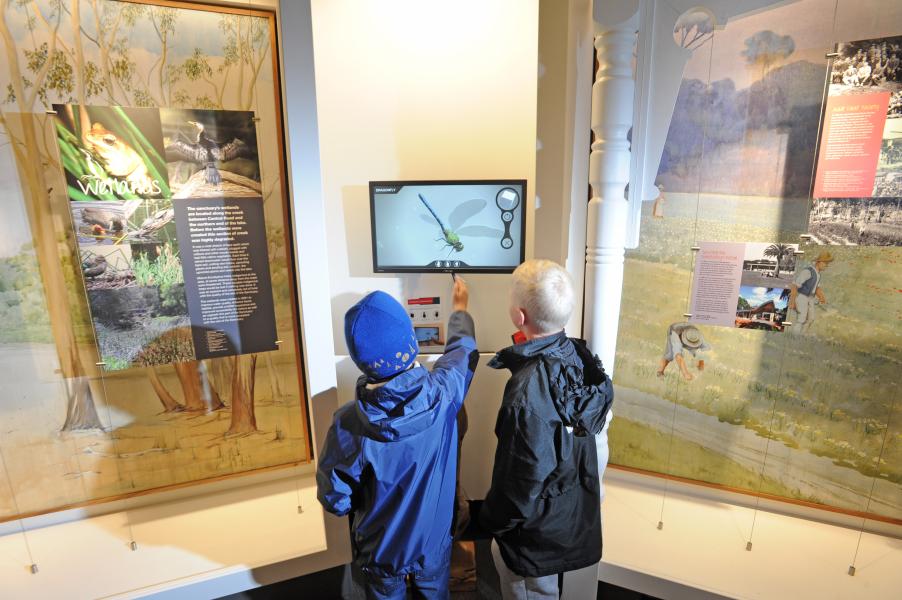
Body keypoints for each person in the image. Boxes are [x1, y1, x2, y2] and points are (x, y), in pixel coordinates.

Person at [317, 280, 478, 600]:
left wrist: (354, 505)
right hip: (433, 543)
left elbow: (334, 497)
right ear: (410, 341)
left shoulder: (348, 424)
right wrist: (459, 311)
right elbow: (462, 351)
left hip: (381, 551)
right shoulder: (443, 393)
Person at [479, 259, 614, 600]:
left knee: (531, 590)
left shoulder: (525, 395)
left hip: (533, 538)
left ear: (519, 316)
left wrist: (491, 522)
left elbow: (519, 481)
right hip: (567, 518)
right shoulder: (580, 357)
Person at [789, 251, 833, 335]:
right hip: (802, 296)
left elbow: (816, 288)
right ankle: (794, 336)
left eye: (827, 263)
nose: (826, 265)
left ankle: (801, 335)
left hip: (810, 298)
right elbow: (795, 286)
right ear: (818, 262)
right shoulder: (807, 271)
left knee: (811, 319)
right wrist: (792, 301)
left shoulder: (818, 274)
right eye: (825, 263)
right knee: (801, 319)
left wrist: (821, 297)